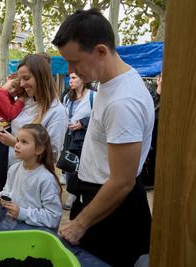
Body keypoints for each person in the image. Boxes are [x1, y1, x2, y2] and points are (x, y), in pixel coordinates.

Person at [52, 9, 154, 266]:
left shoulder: (124, 101)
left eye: (75, 61)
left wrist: (79, 224)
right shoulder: (108, 83)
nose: (70, 70)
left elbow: (121, 181)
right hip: (96, 202)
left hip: (111, 213)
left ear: (100, 51)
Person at [0, 54, 68, 169]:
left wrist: (15, 143)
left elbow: (52, 156)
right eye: (20, 79)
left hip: (34, 178)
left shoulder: (56, 112)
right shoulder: (24, 101)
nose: (21, 84)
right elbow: (0, 117)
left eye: (26, 78)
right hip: (13, 169)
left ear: (41, 77)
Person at [0, 124, 62, 233]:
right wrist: (2, 196)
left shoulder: (46, 179)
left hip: (34, 234)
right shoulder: (13, 169)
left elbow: (53, 217)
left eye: (24, 142)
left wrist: (22, 213)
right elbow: (9, 191)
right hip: (13, 226)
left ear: (39, 149)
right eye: (17, 140)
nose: (17, 145)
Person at [0, 73, 26, 194]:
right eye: (12, 86)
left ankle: (1, 193)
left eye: (16, 92)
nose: (12, 91)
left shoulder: (9, 96)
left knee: (3, 167)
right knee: (0, 169)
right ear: (9, 78)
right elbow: (11, 113)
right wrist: (21, 100)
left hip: (1, 131)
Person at [61, 73, 95, 209]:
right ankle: (72, 194)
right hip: (69, 137)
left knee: (83, 166)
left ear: (84, 79)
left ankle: (76, 195)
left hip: (85, 138)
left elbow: (98, 116)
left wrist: (83, 123)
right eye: (70, 78)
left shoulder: (94, 96)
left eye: (74, 78)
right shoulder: (67, 97)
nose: (70, 80)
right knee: (70, 165)